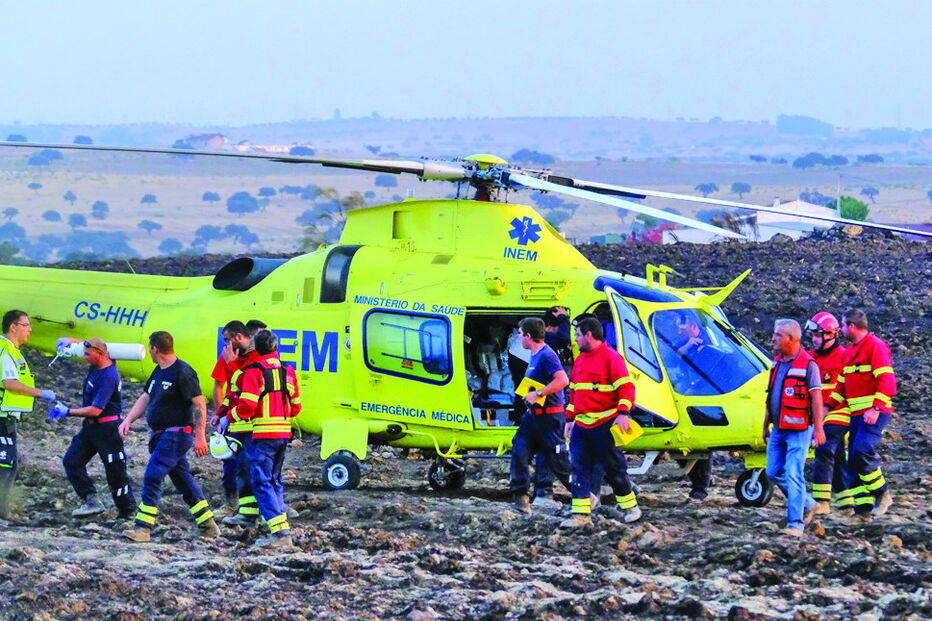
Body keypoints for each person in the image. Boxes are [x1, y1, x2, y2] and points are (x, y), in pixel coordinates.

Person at [120, 331, 219, 542]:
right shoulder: (159, 371)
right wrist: (128, 419)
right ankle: (208, 525)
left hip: (176, 435)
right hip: (162, 436)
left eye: (150, 348)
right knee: (183, 479)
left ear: (155, 349)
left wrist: (200, 436)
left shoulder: (182, 372)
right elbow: (146, 397)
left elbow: (199, 404)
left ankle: (143, 528)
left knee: (153, 475)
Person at [560, 317, 641, 527]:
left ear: (589, 335)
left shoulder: (611, 358)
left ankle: (630, 507)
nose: (575, 339)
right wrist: (570, 419)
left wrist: (623, 413)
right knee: (578, 468)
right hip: (582, 426)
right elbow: (575, 393)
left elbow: (626, 388)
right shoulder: (580, 360)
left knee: (614, 468)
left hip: (605, 424)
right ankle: (580, 514)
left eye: (578, 335)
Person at [229, 330, 301, 548]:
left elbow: (247, 406)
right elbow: (296, 407)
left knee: (261, 482)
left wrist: (230, 416)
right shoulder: (288, 370)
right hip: (283, 434)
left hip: (262, 435)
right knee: (275, 481)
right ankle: (280, 523)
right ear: (276, 347)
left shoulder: (254, 370)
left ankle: (280, 534)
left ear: (257, 350)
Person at [826, 309, 896, 524]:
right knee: (853, 462)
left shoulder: (875, 346)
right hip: (856, 415)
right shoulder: (849, 352)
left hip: (875, 413)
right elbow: (842, 385)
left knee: (862, 450)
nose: (840, 330)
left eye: (842, 326)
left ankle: (882, 493)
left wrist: (875, 408)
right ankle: (863, 512)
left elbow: (887, 380)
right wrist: (828, 406)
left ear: (852, 326)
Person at [53, 338, 135, 520]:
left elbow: (96, 410)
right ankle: (91, 500)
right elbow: (95, 342)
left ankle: (127, 512)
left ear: (100, 354)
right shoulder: (98, 362)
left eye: (87, 355)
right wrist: (71, 341)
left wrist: (68, 412)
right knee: (72, 461)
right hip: (91, 428)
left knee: (115, 471)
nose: (84, 357)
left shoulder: (108, 377)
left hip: (107, 429)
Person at [763, 319, 825, 537]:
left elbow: (816, 399)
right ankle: (808, 503)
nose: (773, 338)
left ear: (790, 339)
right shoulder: (776, 363)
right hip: (778, 429)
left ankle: (796, 524)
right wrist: (765, 425)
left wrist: (819, 429)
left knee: (794, 473)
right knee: (772, 471)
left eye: (778, 335)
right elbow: (770, 397)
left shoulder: (809, 365)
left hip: (799, 430)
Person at [508, 317, 573, 514]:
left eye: (520, 334)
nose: (519, 338)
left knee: (558, 461)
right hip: (533, 416)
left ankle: (583, 494)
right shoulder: (535, 355)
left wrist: (538, 394)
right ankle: (521, 497)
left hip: (550, 418)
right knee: (519, 451)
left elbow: (562, 380)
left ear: (528, 336)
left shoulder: (547, 355)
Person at [0, 310, 56, 524]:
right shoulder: (5, 350)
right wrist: (40, 393)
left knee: (10, 465)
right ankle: (2, 513)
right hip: (1, 418)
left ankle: (4, 510)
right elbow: (9, 383)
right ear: (13, 327)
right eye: (26, 325)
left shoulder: (13, 351)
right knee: (5, 466)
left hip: (8, 417)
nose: (30, 329)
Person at [805, 312, 853, 517]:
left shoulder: (844, 357)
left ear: (831, 335)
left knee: (823, 449)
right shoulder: (810, 358)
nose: (814, 339)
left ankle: (821, 501)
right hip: (820, 415)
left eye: (818, 335)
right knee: (838, 457)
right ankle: (847, 504)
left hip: (840, 412)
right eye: (813, 335)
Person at [210, 320, 260, 516]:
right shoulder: (229, 356)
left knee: (257, 465)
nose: (226, 344)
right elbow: (223, 388)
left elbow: (247, 386)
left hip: (255, 422)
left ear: (238, 337)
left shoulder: (258, 358)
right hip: (235, 421)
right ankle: (232, 504)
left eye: (227, 339)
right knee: (231, 463)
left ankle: (265, 507)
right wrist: (220, 413)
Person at [673, 314, 714, 503]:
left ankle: (701, 486)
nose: (678, 329)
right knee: (679, 445)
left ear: (693, 325)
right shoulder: (684, 343)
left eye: (682, 325)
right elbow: (672, 358)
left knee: (702, 444)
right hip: (685, 395)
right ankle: (699, 481)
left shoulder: (707, 346)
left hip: (702, 397)